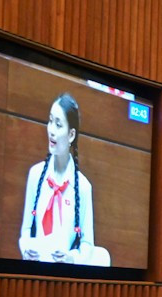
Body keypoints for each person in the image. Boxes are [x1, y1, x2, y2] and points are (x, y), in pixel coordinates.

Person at [17, 92, 106, 264]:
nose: (51, 130)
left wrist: (71, 258)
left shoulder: (83, 187)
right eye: (50, 121)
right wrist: (26, 249)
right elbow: (25, 232)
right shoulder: (36, 175)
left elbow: (88, 245)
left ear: (71, 135)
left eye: (58, 125)